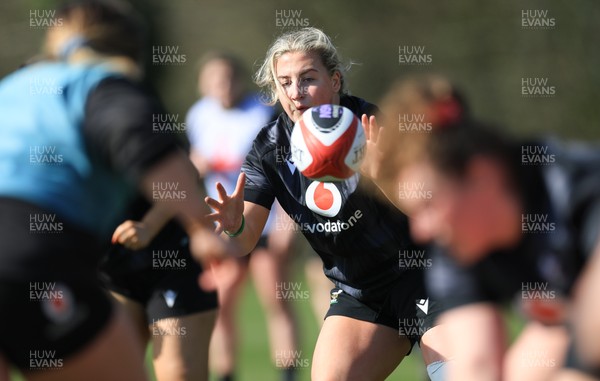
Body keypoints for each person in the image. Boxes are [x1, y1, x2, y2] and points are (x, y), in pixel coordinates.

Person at [204, 27, 451, 381]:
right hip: (359, 292)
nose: (295, 93)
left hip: (426, 274)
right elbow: (244, 241)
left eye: (307, 79)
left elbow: (430, 211)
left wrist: (381, 177)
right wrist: (234, 226)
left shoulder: (372, 124)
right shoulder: (269, 148)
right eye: (284, 82)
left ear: (335, 81)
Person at [0, 1, 230, 380]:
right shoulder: (98, 84)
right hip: (30, 256)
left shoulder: (12, 88)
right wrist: (202, 228)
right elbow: (145, 146)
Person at [377, 76, 600, 381]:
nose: (421, 231)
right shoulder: (460, 244)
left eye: (428, 205)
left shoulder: (582, 193)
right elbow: (475, 365)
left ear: (481, 173)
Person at [186, 52, 300, 381]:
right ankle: (226, 374)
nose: (222, 85)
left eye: (228, 78)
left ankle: (288, 375)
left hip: (266, 218)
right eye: (214, 79)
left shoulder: (263, 113)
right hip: (223, 223)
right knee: (221, 303)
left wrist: (287, 224)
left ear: (239, 80)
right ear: (203, 84)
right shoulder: (198, 116)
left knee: (276, 300)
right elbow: (190, 169)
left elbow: (289, 171)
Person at [100, 194, 218, 381]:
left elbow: (183, 177)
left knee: (181, 374)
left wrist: (148, 226)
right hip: (107, 265)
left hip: (175, 260)